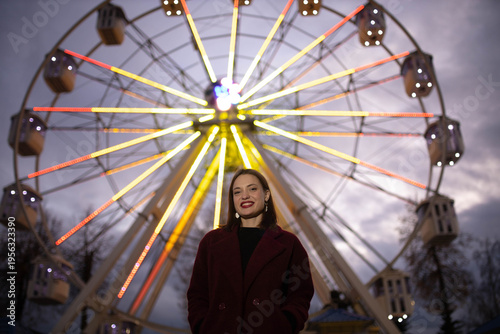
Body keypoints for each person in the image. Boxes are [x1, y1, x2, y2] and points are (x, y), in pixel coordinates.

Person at [187, 168, 314, 334]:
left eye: (252, 189)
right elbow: (197, 294)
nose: (244, 196)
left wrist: (285, 323)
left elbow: (300, 295)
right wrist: (203, 325)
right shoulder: (211, 242)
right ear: (232, 199)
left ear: (266, 195)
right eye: (237, 192)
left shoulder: (289, 244)